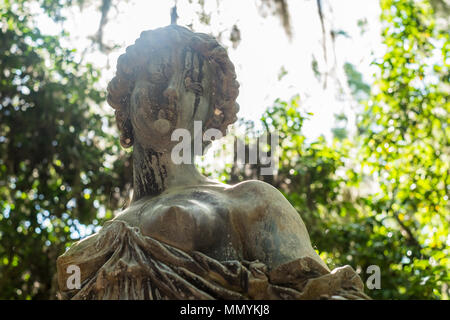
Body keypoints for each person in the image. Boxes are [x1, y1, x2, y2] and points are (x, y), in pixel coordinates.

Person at [56, 25, 368, 300]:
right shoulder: (94, 249)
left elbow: (326, 293)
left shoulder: (253, 201)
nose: (171, 93)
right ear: (126, 98)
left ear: (210, 115)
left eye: (194, 87)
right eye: (157, 74)